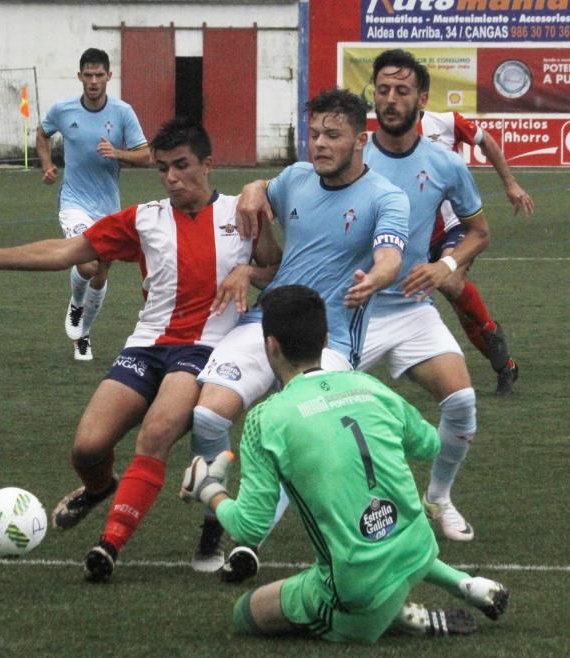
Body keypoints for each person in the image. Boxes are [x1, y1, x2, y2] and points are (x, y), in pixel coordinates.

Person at [0, 118, 282, 582]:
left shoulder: (243, 215)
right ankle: (99, 489)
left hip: (204, 349)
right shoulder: (144, 219)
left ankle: (109, 545)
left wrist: (251, 275)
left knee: (155, 436)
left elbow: (277, 267)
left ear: (207, 163)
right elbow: (67, 251)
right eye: (162, 168)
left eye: (182, 166)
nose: (171, 178)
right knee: (87, 447)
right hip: (146, 346)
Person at [178, 285, 510, 643]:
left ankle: (399, 616)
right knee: (389, 535)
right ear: (325, 340)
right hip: (419, 549)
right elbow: (429, 444)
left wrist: (209, 490)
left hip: (356, 593)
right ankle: (466, 584)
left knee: (246, 613)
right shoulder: (368, 384)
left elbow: (250, 527)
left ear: (270, 345)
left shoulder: (266, 419)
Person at [187, 87, 410, 576]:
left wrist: (377, 276)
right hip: (266, 323)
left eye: (333, 135)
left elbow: (391, 255)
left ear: (360, 140)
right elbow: (266, 190)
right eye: (314, 134)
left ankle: (249, 538)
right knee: (206, 417)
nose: (320, 145)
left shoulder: (386, 197)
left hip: (329, 339)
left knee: (299, 435)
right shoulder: (297, 177)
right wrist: (254, 187)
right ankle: (212, 523)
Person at [36, 47, 151, 361]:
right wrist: (46, 163)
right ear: (80, 77)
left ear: (109, 77)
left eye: (99, 75)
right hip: (73, 201)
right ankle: (76, 302)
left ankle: (83, 333)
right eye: (88, 75)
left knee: (101, 271)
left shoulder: (122, 112)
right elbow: (42, 134)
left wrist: (119, 153)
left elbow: (146, 154)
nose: (93, 81)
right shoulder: (63, 110)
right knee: (86, 262)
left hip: (108, 206)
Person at [419, 109, 533, 394]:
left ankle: (490, 331)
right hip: (418, 237)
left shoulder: (445, 121)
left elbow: (487, 142)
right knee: (461, 309)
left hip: (456, 225)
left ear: (420, 96)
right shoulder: (387, 142)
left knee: (450, 280)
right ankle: (505, 364)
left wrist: (510, 183)